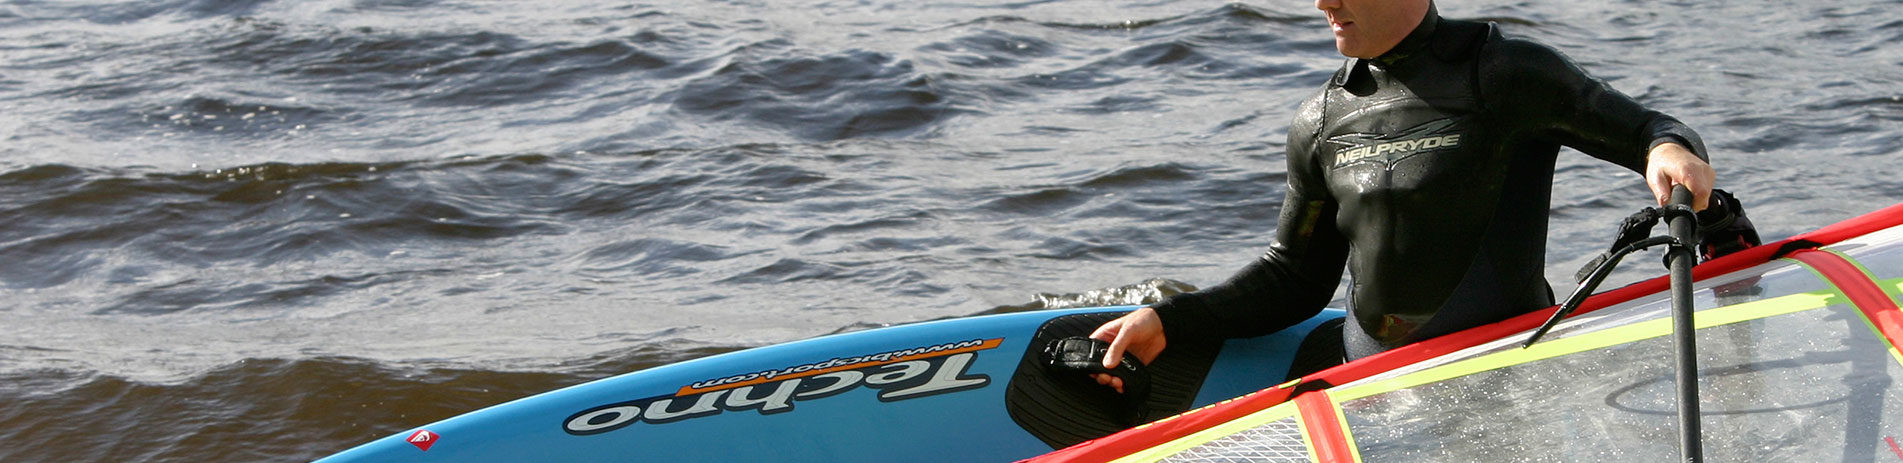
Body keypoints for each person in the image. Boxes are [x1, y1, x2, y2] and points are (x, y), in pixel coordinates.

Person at [1088, 0, 1720, 393]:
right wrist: (1171, 319)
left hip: (1502, 373)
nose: (1321, 3)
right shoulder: (1322, 118)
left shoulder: (1504, 73)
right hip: (1372, 392)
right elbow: (1294, 278)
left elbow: (1647, 131)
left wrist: (1666, 151)